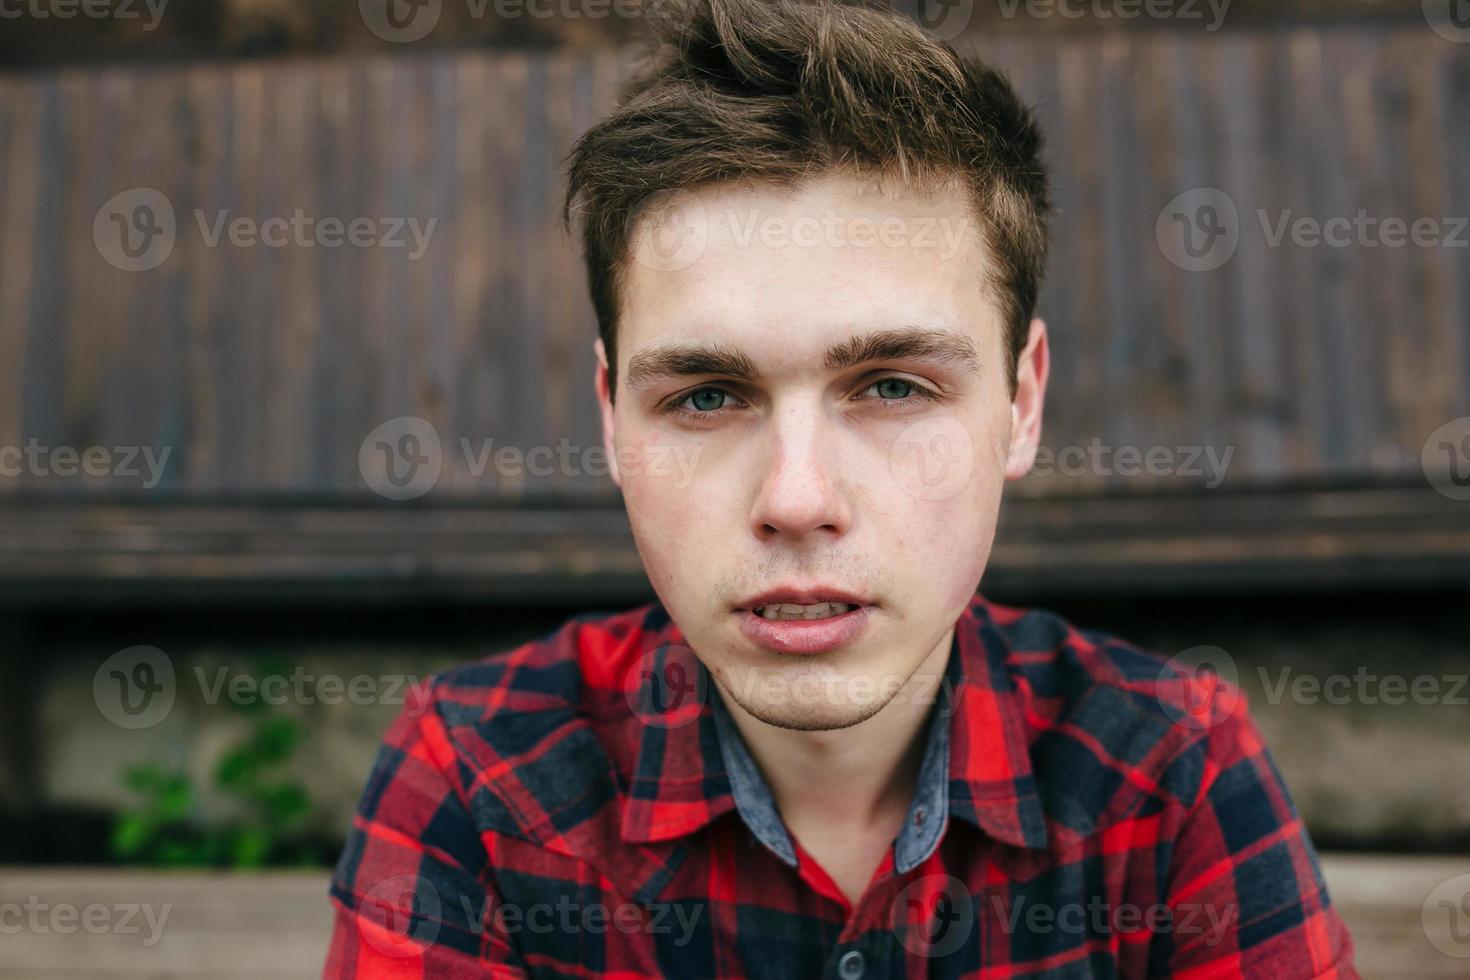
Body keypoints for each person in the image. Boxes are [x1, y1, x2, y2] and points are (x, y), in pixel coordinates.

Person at [324, 0, 1358, 975]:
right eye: (706, 396)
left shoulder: (1173, 776)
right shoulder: (478, 781)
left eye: (895, 386)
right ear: (610, 417)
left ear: (1022, 401)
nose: (797, 496)